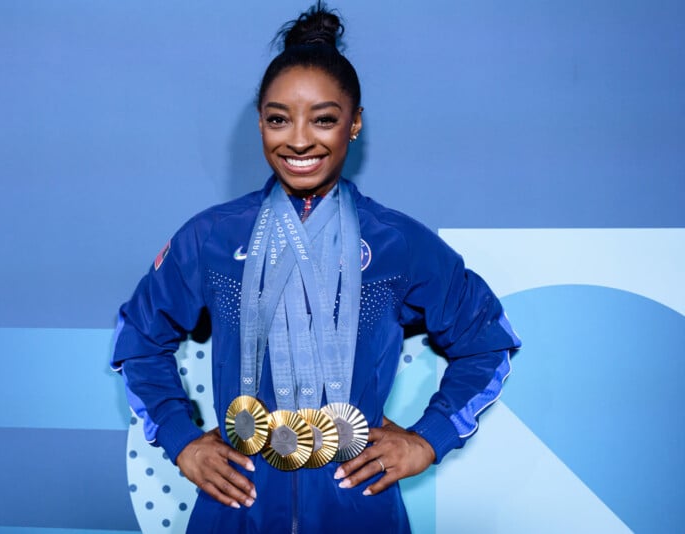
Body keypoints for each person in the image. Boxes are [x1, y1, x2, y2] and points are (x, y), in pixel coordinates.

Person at [111, 3, 521, 532]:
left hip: (359, 509)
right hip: (237, 511)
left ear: (354, 125)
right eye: (279, 118)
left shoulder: (394, 242)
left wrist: (430, 437)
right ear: (260, 122)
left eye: (323, 119)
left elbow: (486, 340)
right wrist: (180, 439)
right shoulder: (213, 237)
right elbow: (141, 336)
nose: (299, 140)